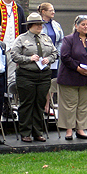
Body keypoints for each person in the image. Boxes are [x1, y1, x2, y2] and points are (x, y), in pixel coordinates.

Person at [11, 12, 58, 142]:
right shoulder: (21, 39)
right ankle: (25, 132)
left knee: (40, 103)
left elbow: (55, 53)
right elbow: (14, 55)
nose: (40, 26)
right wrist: (28, 59)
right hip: (26, 75)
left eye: (41, 24)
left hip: (43, 75)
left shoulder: (46, 38)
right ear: (30, 25)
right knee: (27, 104)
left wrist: (48, 59)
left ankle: (38, 132)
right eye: (37, 24)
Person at [57, 15, 87, 140]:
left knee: (84, 105)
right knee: (69, 105)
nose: (85, 27)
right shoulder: (68, 39)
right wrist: (78, 68)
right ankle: (69, 130)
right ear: (76, 26)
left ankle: (81, 129)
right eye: (83, 24)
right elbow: (65, 57)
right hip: (70, 77)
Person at [38, 2, 64, 116]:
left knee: (52, 82)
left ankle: (47, 106)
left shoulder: (56, 25)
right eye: (50, 10)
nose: (53, 12)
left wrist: (56, 53)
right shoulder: (38, 24)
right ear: (43, 12)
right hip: (42, 58)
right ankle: (40, 106)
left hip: (54, 58)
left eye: (53, 10)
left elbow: (61, 40)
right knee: (42, 83)